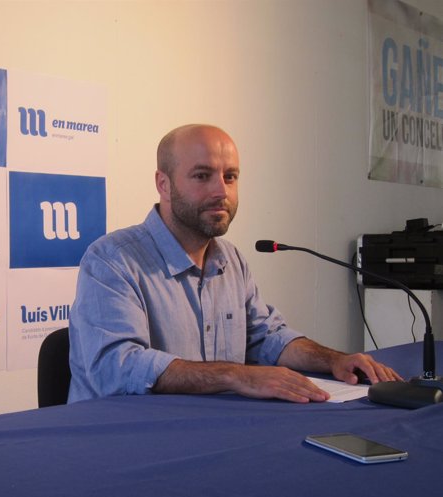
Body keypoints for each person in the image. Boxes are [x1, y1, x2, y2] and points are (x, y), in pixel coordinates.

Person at [67, 123, 402, 403]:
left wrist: (335, 360)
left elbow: (266, 338)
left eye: (230, 177)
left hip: (211, 435)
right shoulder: (111, 261)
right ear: (163, 184)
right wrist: (238, 375)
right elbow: (117, 367)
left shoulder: (231, 260)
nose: (221, 192)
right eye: (202, 176)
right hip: (124, 448)